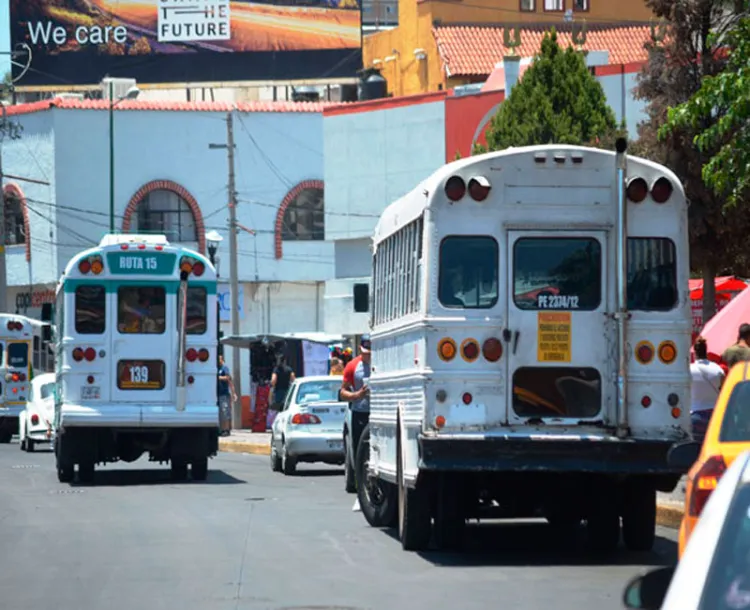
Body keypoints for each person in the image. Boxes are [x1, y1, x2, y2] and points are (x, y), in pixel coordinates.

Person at [340, 335, 371, 512]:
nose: (368, 356)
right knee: (361, 455)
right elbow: (342, 391)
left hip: (378, 412)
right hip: (360, 413)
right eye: (365, 353)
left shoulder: (382, 363)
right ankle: (361, 495)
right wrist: (357, 395)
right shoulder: (353, 366)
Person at [217, 355, 236, 437]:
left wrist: (219, 377)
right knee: (220, 413)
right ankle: (221, 429)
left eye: (219, 359)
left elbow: (228, 378)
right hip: (218, 394)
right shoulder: (217, 368)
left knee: (225, 412)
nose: (218, 361)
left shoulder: (225, 368)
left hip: (224, 394)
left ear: (222, 360)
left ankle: (226, 429)